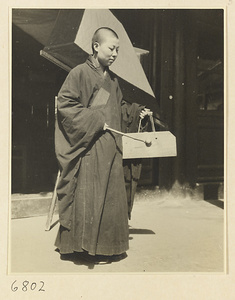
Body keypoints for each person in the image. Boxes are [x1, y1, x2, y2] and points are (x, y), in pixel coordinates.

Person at [54, 27, 151, 263]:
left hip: (111, 145)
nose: (115, 53)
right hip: (89, 147)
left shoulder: (113, 80)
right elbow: (66, 105)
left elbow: (117, 109)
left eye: (118, 49)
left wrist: (136, 112)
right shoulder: (79, 73)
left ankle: (109, 246)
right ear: (96, 47)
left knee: (111, 195)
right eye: (111, 48)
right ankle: (80, 247)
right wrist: (96, 120)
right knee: (90, 193)